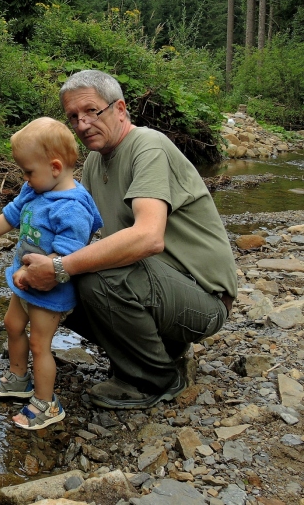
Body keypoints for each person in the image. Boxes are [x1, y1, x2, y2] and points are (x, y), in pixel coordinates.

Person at [14, 70, 238, 410]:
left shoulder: (147, 146)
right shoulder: (92, 165)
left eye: (92, 111)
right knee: (53, 282)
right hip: (159, 289)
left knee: (87, 274)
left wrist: (59, 267)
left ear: (119, 109)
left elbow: (148, 238)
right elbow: (71, 232)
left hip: (204, 298)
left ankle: (157, 378)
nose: (82, 123)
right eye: (73, 116)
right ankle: (160, 350)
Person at [0, 117, 103, 429]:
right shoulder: (34, 189)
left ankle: (46, 403)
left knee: (40, 344)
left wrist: (34, 271)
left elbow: (68, 254)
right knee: (11, 324)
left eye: (28, 171)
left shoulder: (71, 206)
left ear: (54, 167)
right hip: (24, 282)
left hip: (51, 290)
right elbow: (10, 216)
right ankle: (19, 378)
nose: (25, 177)